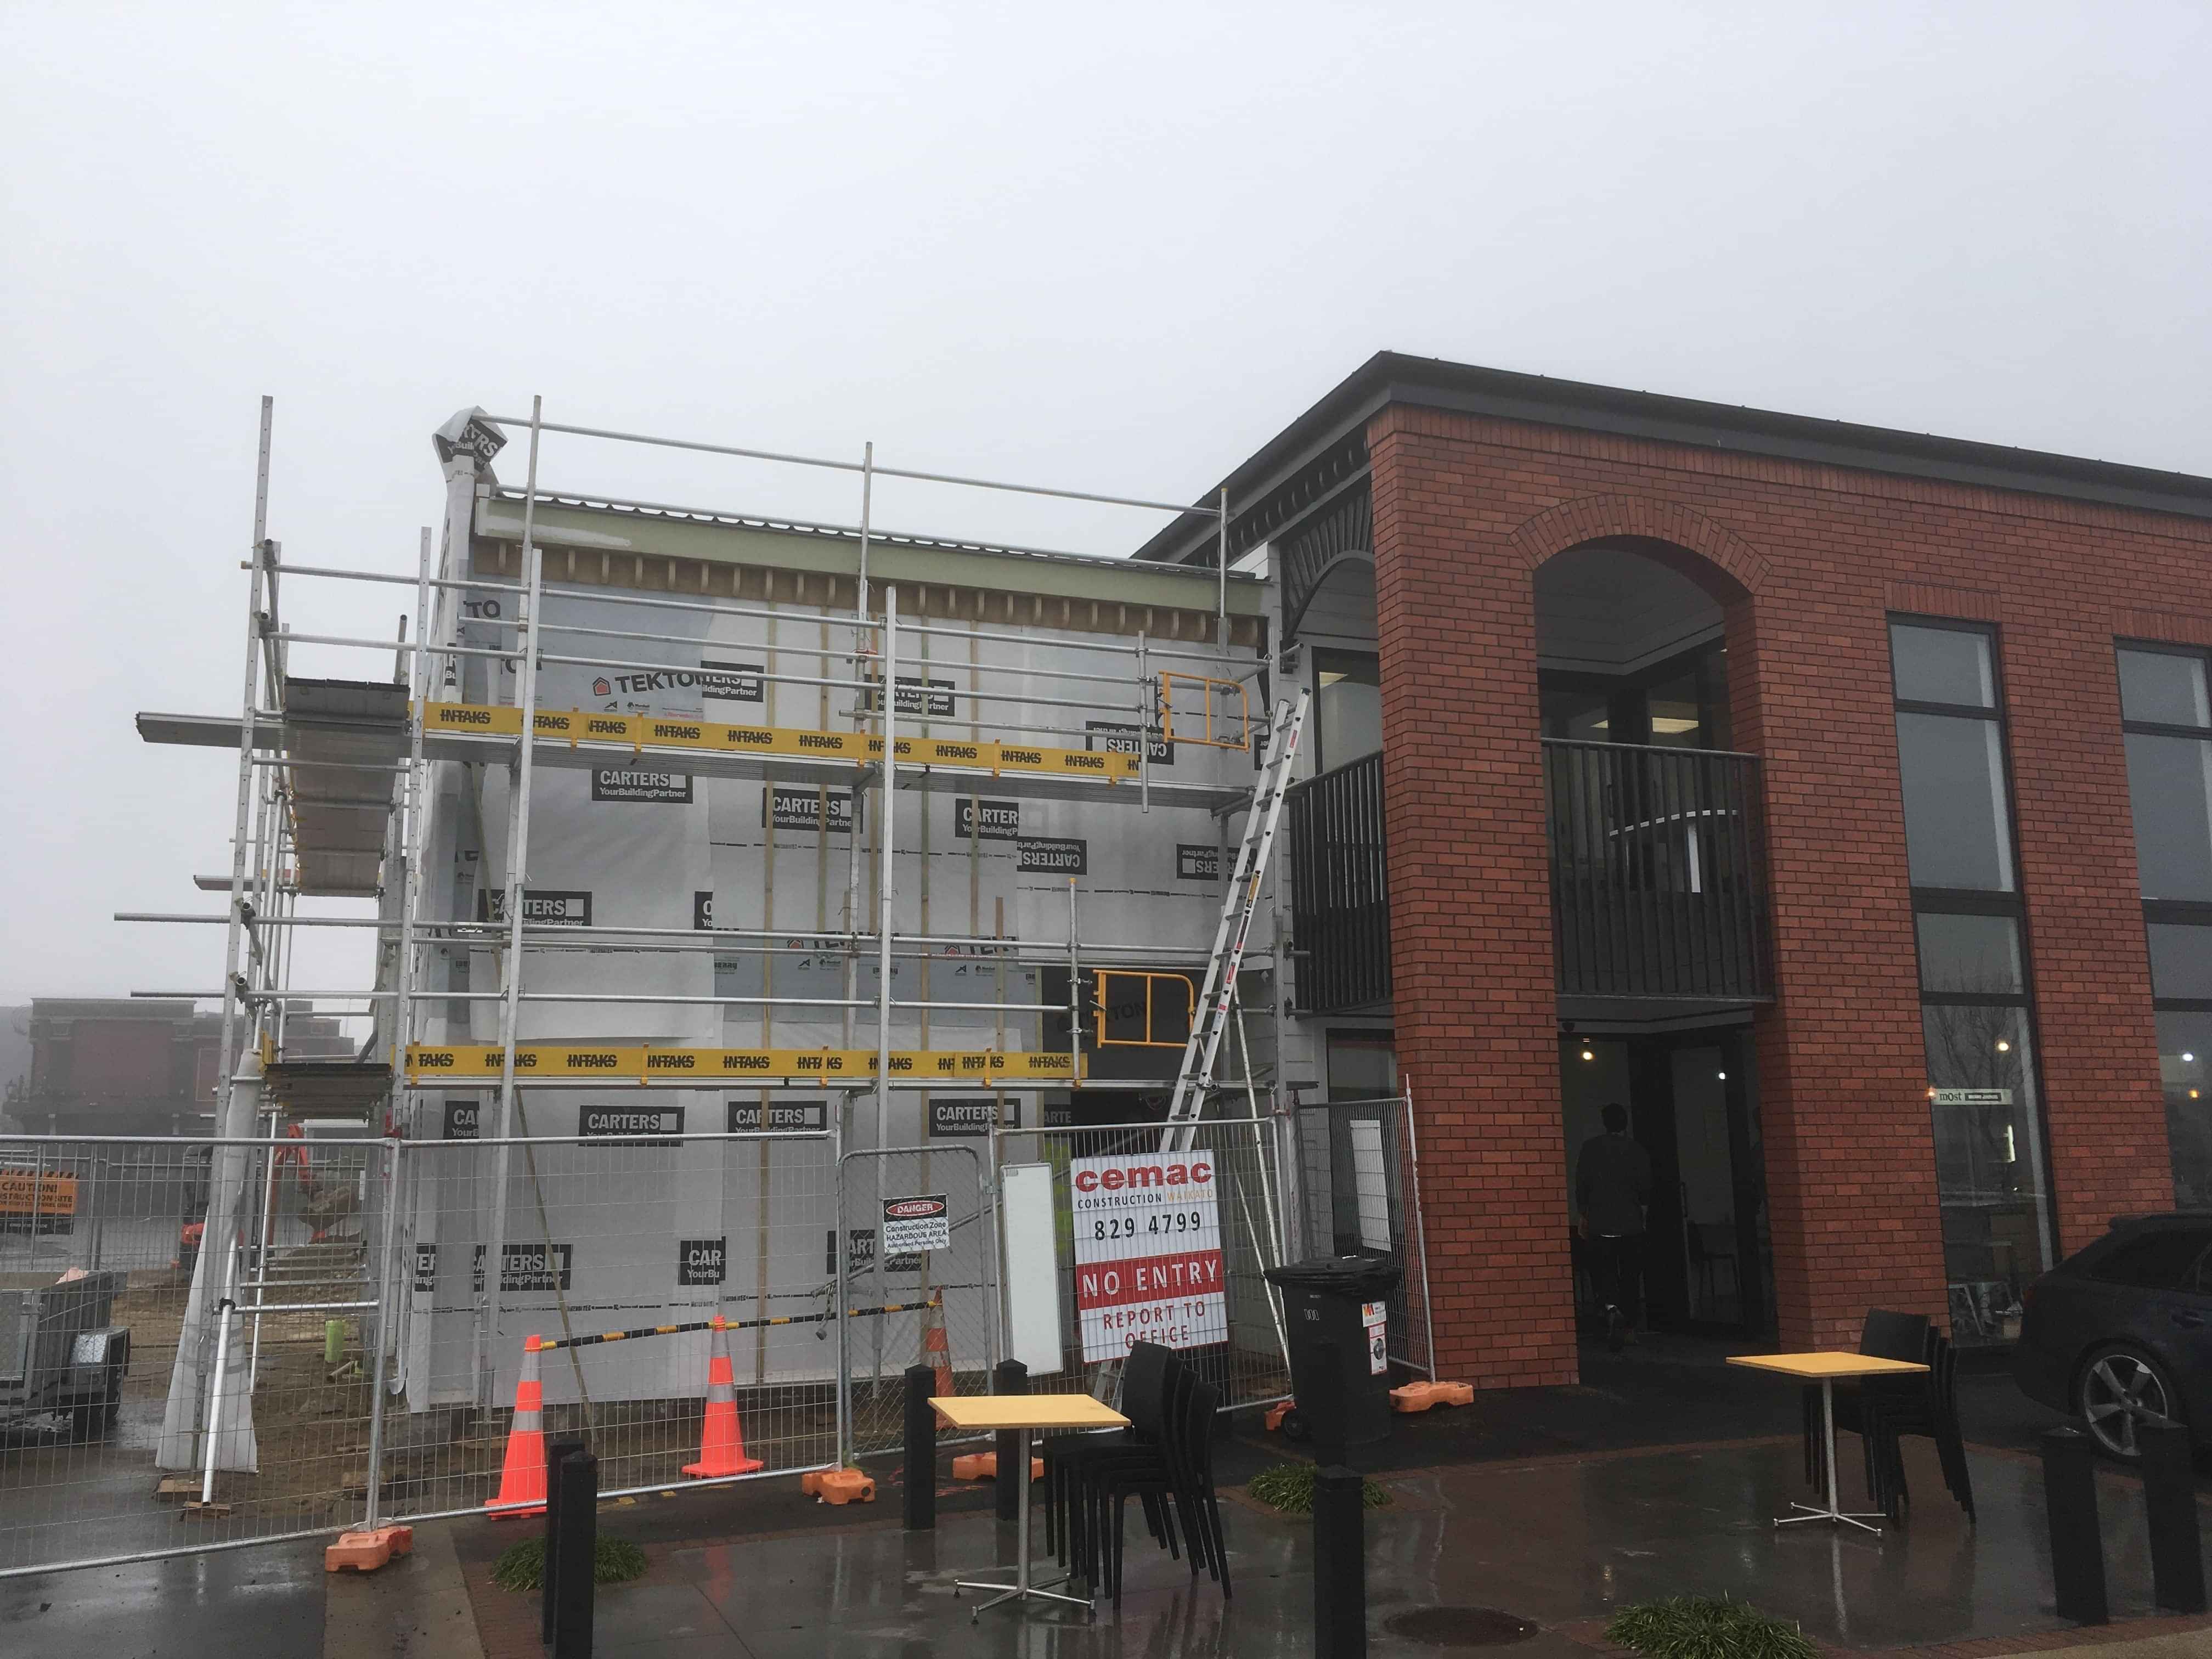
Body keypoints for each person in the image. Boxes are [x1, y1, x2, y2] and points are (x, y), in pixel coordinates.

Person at [1576, 1102, 1652, 1353]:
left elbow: (1582, 1186)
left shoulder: (1591, 1149)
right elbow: (1645, 1189)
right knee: (1630, 1276)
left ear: (1605, 1123)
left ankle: (1609, 1308)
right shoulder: (1636, 1150)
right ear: (1626, 1123)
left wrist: (1584, 1216)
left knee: (1603, 1272)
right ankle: (1630, 1327)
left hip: (1600, 1222)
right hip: (1630, 1224)